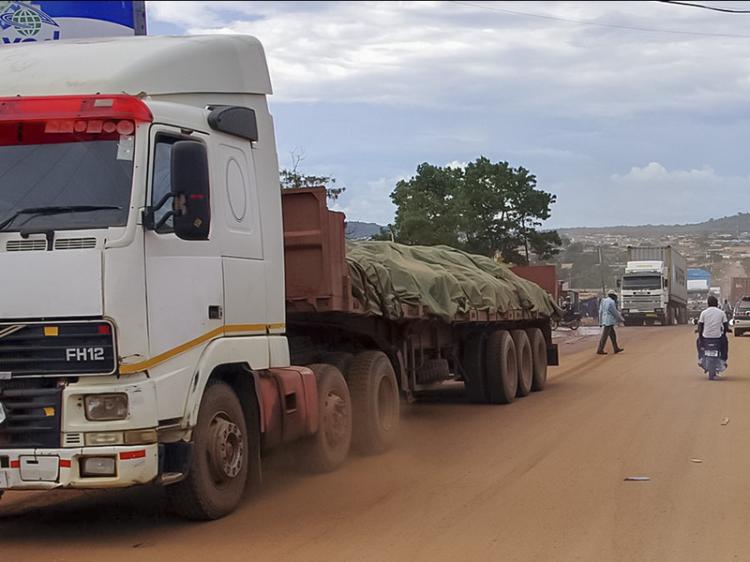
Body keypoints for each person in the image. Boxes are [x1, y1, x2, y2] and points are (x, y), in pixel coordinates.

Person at [698, 295, 729, 362]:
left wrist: (700, 336)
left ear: (708, 303)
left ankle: (700, 357)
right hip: (718, 337)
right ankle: (723, 359)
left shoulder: (703, 313)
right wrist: (726, 331)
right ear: (717, 303)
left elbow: (700, 326)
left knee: (698, 341)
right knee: (725, 342)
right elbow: (726, 325)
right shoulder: (721, 313)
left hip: (706, 337)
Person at [597, 290, 624, 355]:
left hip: (605, 320)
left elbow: (600, 311)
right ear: (613, 296)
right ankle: (600, 349)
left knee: (613, 335)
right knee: (604, 336)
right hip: (609, 321)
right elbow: (614, 312)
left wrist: (600, 322)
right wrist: (621, 319)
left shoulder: (603, 301)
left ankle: (616, 348)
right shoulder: (611, 302)